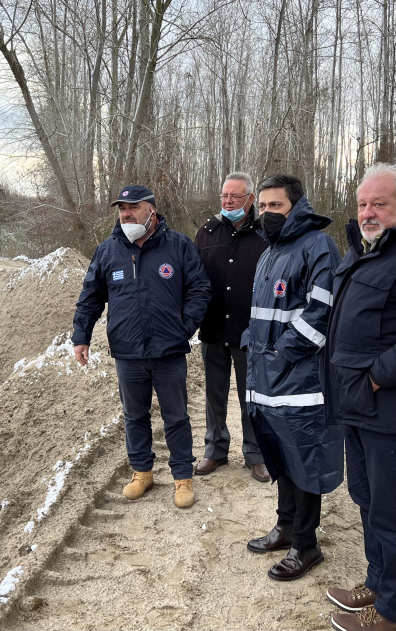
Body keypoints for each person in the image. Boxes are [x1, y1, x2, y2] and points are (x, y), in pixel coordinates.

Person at [72, 185, 211, 508]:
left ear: (151, 209)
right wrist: (81, 336)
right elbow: (90, 297)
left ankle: (182, 477)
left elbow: (200, 289)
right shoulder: (108, 251)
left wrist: (185, 328)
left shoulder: (178, 246)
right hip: (128, 352)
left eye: (132, 206)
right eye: (121, 207)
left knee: (176, 417)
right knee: (135, 416)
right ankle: (142, 472)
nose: (126, 213)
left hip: (169, 351)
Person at [242, 174, 343, 581]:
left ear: (295, 207)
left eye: (275, 206)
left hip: (298, 380)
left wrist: (284, 352)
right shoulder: (269, 251)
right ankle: (285, 526)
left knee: (305, 462)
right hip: (266, 378)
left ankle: (306, 544)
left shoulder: (317, 245)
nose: (266, 213)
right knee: (280, 456)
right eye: (262, 206)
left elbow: (322, 311)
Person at [324, 163, 396, 631]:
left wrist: (375, 376)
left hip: (386, 410)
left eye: (380, 203)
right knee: (366, 500)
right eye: (363, 203)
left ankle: (390, 612)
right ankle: (378, 581)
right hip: (354, 406)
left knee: (391, 513)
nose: (368, 212)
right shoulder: (361, 253)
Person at [194, 172, 270, 482]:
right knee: (214, 394)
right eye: (224, 196)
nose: (227, 202)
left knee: (251, 396)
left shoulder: (266, 235)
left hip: (249, 332)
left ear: (250, 200)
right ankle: (215, 449)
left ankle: (255, 453)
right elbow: (194, 281)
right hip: (213, 329)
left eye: (234, 197)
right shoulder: (207, 233)